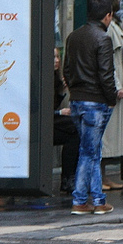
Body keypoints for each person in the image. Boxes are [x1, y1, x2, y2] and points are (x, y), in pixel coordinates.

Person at [63, 0, 121, 215]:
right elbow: (106, 75)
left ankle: (98, 200)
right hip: (96, 102)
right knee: (89, 153)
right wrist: (111, 98)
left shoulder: (73, 37)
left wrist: (75, 92)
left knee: (91, 151)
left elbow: (67, 70)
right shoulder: (103, 39)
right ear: (107, 16)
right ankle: (79, 200)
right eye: (111, 16)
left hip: (77, 100)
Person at [96, 0, 123, 190]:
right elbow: (107, 60)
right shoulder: (108, 28)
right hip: (111, 89)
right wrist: (116, 85)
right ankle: (100, 178)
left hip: (116, 87)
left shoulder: (115, 25)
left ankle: (105, 176)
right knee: (105, 135)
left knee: (110, 135)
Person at [52, 47, 79, 196]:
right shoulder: (42, 78)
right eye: (53, 57)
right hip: (41, 124)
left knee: (76, 129)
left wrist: (62, 91)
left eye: (57, 57)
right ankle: (68, 179)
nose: (56, 60)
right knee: (74, 129)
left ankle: (70, 177)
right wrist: (59, 112)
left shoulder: (56, 78)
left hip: (52, 121)